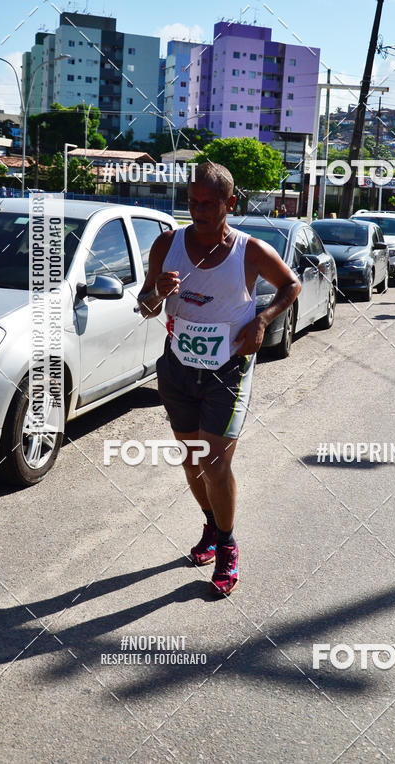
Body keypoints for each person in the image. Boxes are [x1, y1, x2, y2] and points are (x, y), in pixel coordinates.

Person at [138, 162, 301, 596]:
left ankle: (228, 546)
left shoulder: (250, 251)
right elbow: (145, 307)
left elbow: (292, 285)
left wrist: (264, 319)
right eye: (192, 202)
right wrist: (158, 292)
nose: (199, 211)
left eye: (209, 203)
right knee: (192, 459)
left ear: (231, 203)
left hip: (226, 370)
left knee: (215, 462)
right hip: (177, 369)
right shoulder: (166, 245)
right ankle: (212, 527)